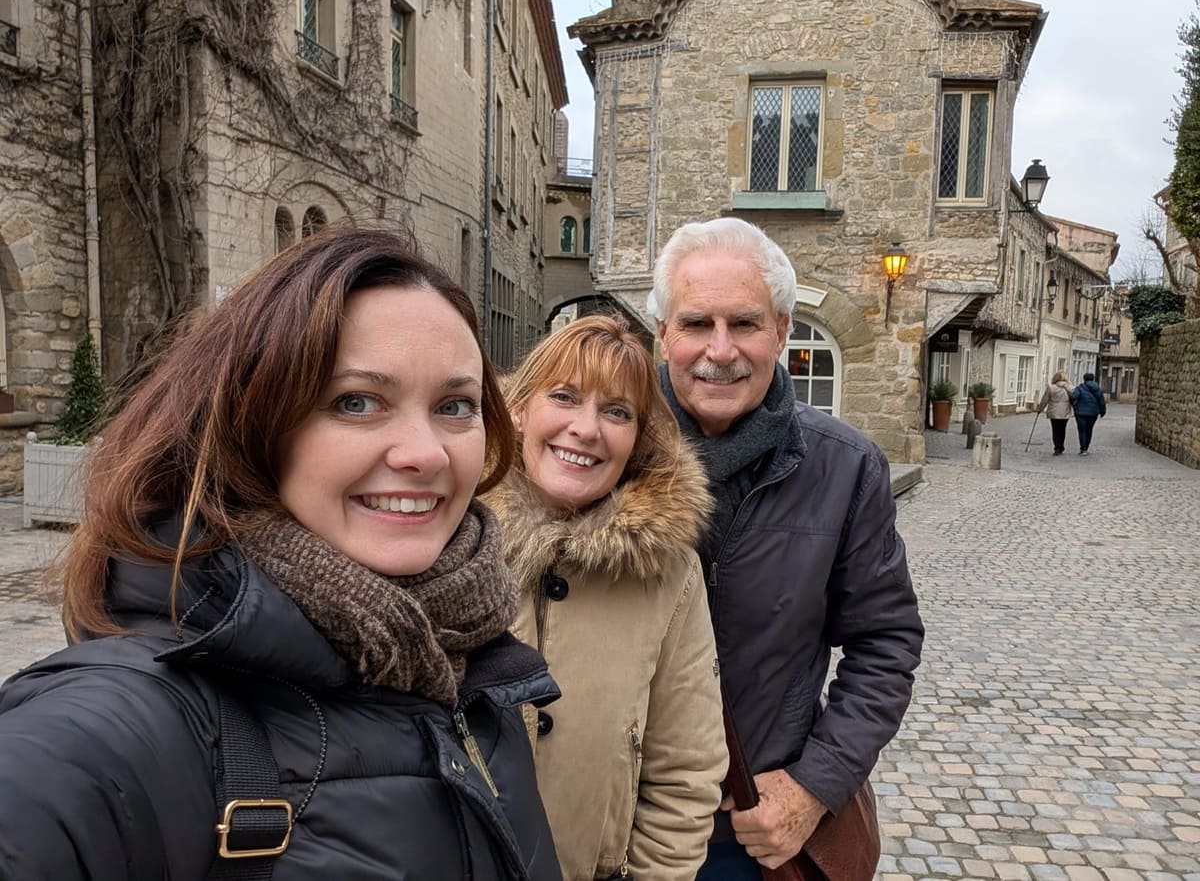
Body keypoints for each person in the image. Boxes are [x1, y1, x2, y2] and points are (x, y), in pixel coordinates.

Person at [0, 229, 563, 880]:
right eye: (356, 402)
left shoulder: (469, 656)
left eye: (454, 405)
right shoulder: (131, 719)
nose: (426, 453)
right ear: (253, 424)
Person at [646, 216, 925, 878]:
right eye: (694, 324)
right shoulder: (603, 456)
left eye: (743, 323)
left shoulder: (844, 467)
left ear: (781, 328)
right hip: (618, 822)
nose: (720, 350)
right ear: (662, 335)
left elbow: (885, 641)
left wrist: (812, 788)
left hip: (754, 831)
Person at [483, 315, 727, 881]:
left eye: (617, 412)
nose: (586, 429)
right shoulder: (445, 535)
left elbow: (685, 771)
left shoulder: (667, 573)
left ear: (638, 437)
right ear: (520, 411)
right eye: (564, 397)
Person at [1036, 371, 1074, 455]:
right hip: (1065, 411)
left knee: (1055, 429)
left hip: (1054, 411)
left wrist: (1040, 409)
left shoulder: (1051, 387)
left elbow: (1045, 400)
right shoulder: (1070, 388)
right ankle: (1061, 446)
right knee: (1062, 429)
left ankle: (1057, 447)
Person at [1069, 371, 1106, 455]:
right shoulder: (1097, 389)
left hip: (1080, 413)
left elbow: (1073, 396)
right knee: (1089, 430)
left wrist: (1074, 405)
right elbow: (1101, 401)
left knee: (1082, 430)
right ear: (1093, 379)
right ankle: (1086, 446)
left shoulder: (1080, 388)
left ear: (1084, 379)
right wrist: (1102, 411)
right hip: (1093, 413)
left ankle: (1083, 448)